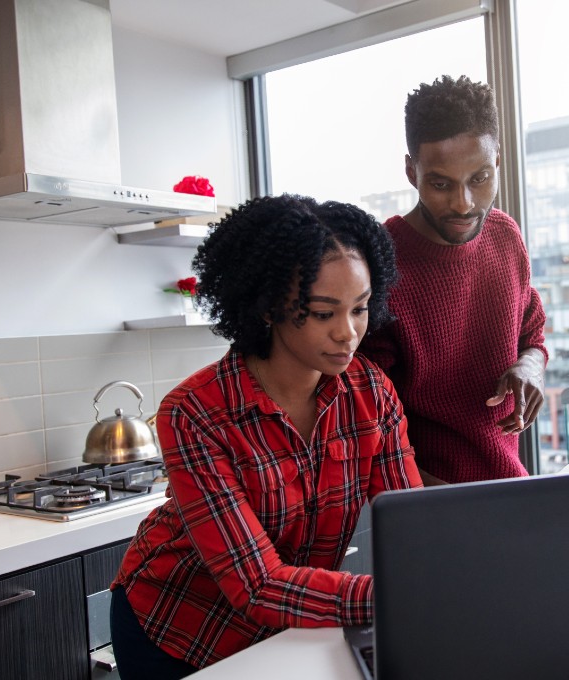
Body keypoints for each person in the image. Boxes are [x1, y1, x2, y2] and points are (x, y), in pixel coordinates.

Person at [109, 194, 423, 677]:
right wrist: (401, 594)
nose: (349, 333)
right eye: (323, 313)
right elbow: (256, 585)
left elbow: (411, 528)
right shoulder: (194, 413)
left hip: (289, 626)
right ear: (268, 307)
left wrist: (441, 568)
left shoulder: (372, 392)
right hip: (180, 627)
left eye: (359, 308)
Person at [359, 75, 548, 485]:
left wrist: (530, 366)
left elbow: (532, 333)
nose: (464, 204)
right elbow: (366, 424)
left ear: (497, 160)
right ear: (412, 171)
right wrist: (441, 503)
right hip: (425, 501)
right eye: (441, 183)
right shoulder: (379, 261)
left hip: (508, 486)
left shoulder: (505, 235)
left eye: (479, 179)